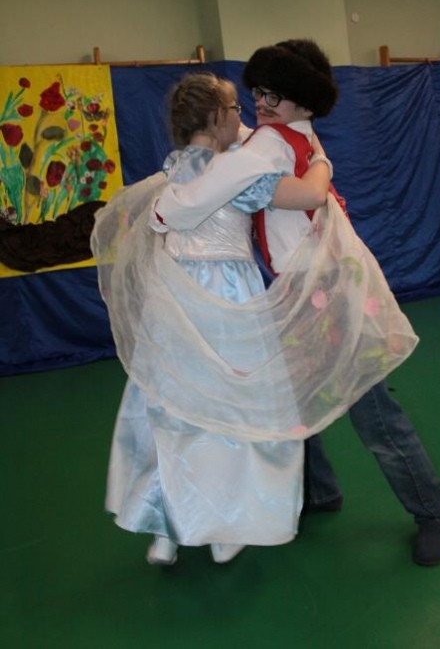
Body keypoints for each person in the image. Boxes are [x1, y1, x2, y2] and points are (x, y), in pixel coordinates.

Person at [153, 38, 440, 566]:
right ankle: (319, 491)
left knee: (374, 413)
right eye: (257, 93)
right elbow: (245, 141)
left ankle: (434, 513)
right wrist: (319, 162)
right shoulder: (282, 136)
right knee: (295, 404)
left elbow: (223, 181)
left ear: (303, 101)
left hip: (329, 291)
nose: (261, 103)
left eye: (274, 95)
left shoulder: (271, 144)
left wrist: (165, 209)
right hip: (300, 291)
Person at [91, 71, 341, 567]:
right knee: (232, 409)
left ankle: (166, 527)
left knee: (174, 407)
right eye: (235, 110)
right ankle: (226, 526)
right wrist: (320, 159)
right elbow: (310, 194)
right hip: (226, 296)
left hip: (173, 297)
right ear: (216, 117)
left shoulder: (174, 168)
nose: (242, 119)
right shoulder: (237, 174)